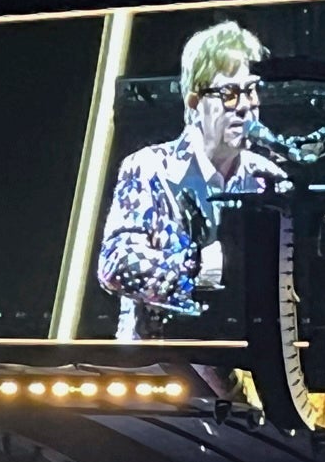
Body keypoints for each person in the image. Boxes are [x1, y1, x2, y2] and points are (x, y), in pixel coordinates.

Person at [97, 22, 290, 341]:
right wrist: (194, 268)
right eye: (229, 94)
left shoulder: (267, 178)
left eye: (251, 90)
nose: (245, 105)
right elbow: (115, 265)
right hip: (160, 358)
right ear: (194, 102)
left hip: (244, 356)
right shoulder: (150, 167)